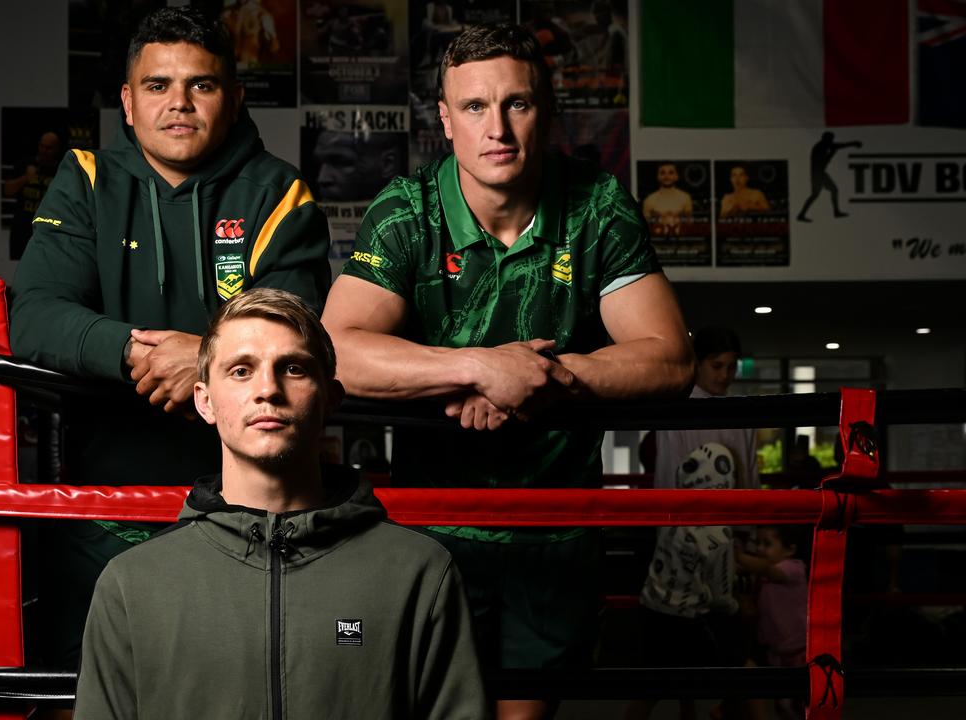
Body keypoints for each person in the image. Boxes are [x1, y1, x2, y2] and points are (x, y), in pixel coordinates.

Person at [320, 23, 693, 720]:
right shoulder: (408, 211)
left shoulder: (597, 207)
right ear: (445, 120)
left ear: (546, 110)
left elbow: (669, 356)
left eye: (517, 104)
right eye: (474, 107)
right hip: (433, 531)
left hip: (553, 529)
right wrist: (479, 369)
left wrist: (546, 379)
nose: (497, 128)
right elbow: (333, 348)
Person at [10, 7, 330, 670]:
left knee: (241, 681)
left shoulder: (278, 192)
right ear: (127, 102)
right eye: (157, 86)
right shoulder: (88, 180)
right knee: (96, 684)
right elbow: (34, 316)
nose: (178, 104)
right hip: (106, 499)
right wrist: (142, 350)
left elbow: (297, 325)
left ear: (234, 98)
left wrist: (205, 357)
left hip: (249, 506)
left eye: (201, 86)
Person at [73, 288, 487, 719]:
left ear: (331, 399)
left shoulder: (418, 571)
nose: (268, 389)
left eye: (293, 368)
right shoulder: (132, 583)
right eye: (240, 371)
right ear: (205, 401)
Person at [625, 442, 740, 720]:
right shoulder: (719, 533)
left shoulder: (674, 511)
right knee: (709, 682)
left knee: (649, 689)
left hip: (652, 608)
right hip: (688, 619)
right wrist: (736, 608)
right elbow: (721, 596)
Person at [649, 326, 759, 492]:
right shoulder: (678, 410)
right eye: (716, 366)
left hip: (737, 513)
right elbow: (668, 477)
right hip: (692, 514)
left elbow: (751, 478)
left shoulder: (742, 411)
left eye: (731, 367)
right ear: (698, 364)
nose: (724, 375)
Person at [737, 525, 810, 720]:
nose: (760, 548)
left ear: (790, 549)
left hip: (800, 650)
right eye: (758, 543)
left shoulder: (794, 568)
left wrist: (739, 557)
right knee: (783, 706)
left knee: (801, 706)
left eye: (767, 544)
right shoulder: (764, 574)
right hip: (777, 651)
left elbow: (767, 569)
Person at [797, 132, 861, 222]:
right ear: (826, 139)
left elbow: (838, 146)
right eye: (830, 139)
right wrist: (832, 153)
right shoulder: (820, 147)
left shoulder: (823, 146)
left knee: (820, 194)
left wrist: (852, 144)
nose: (832, 141)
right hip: (818, 174)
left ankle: (802, 214)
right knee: (822, 193)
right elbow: (824, 162)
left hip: (819, 173)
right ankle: (835, 212)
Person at [641, 162, 693, 237]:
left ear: (676, 176)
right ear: (658, 176)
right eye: (662, 173)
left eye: (671, 173)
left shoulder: (685, 197)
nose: (666, 176)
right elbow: (645, 225)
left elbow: (690, 222)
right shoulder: (649, 200)